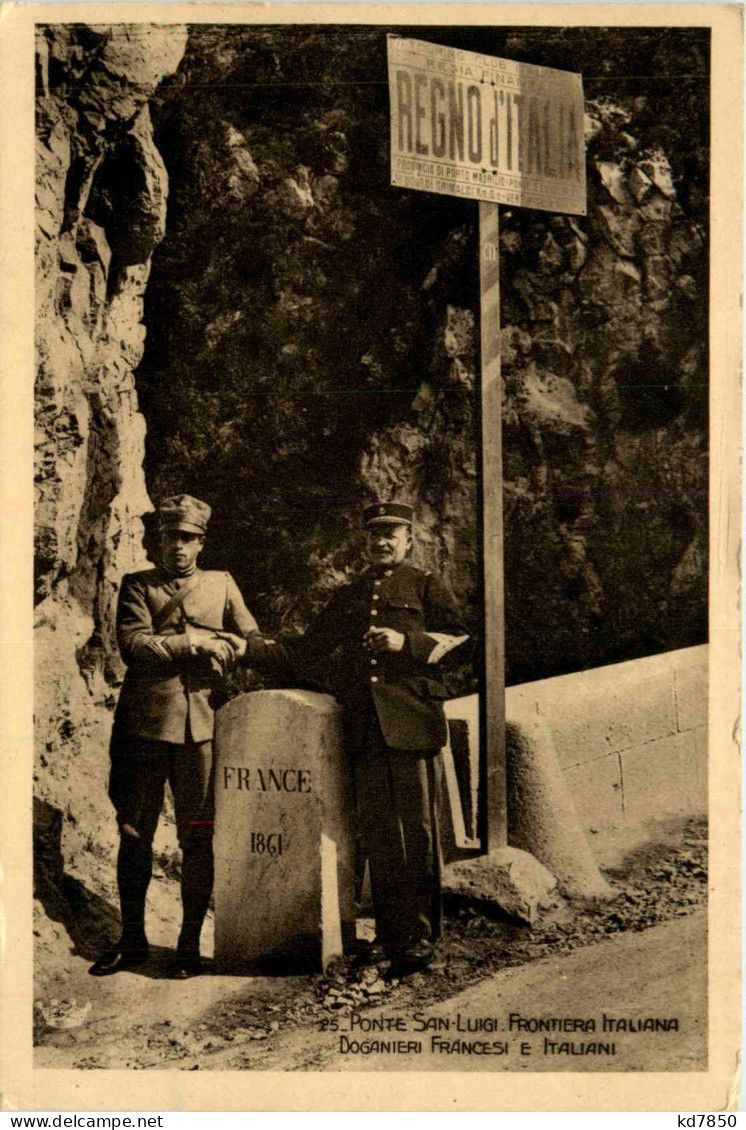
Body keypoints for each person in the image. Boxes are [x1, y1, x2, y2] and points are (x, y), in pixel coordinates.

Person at [219, 501, 469, 972]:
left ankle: (421, 936)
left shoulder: (426, 585)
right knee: (379, 835)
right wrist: (249, 649)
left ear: (409, 538)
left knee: (417, 832)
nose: (382, 541)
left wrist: (408, 643)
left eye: (392, 533)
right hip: (365, 728)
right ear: (365, 541)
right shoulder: (350, 596)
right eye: (375, 534)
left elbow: (460, 639)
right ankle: (393, 937)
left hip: (412, 723)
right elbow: (307, 651)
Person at [91, 494, 268, 978]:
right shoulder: (137, 586)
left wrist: (233, 645)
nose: (179, 548)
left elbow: (254, 638)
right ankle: (132, 940)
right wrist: (191, 642)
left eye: (189, 539)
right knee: (134, 833)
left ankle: (189, 944)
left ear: (201, 543)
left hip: (202, 729)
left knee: (199, 837)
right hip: (144, 727)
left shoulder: (222, 583)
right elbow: (133, 644)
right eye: (171, 538)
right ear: (159, 540)